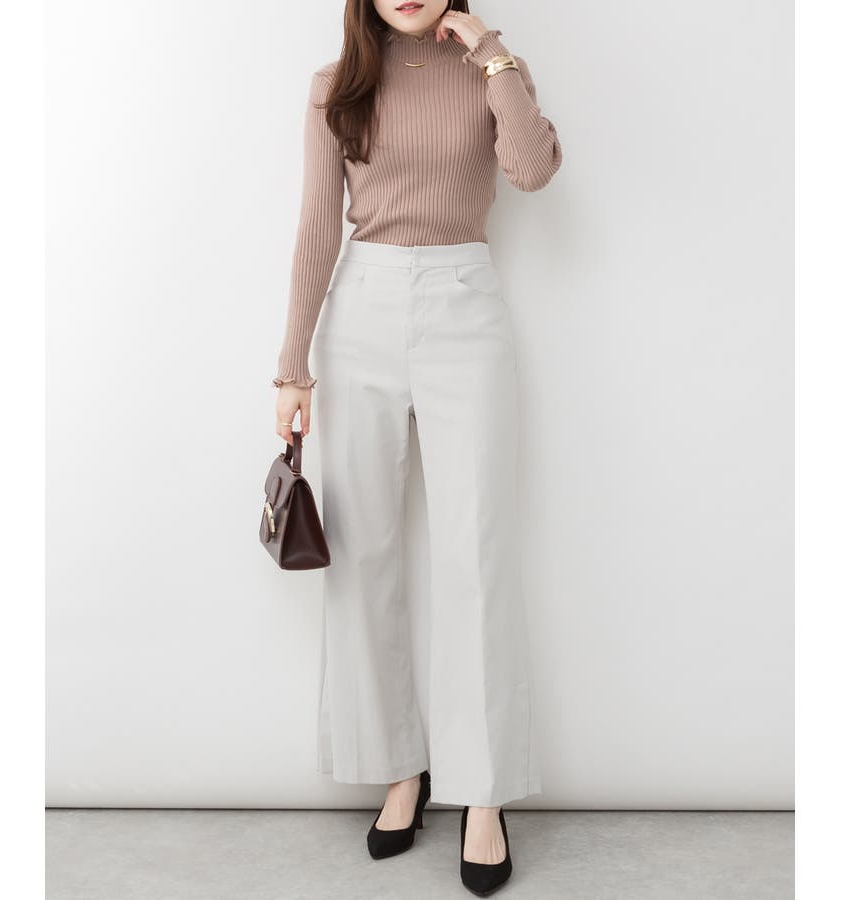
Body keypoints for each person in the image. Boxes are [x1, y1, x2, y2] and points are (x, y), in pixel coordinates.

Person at [272, 1, 561, 893]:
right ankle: (400, 769)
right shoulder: (336, 86)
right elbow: (318, 225)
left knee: (477, 553)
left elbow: (533, 169)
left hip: (464, 304)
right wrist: (292, 367)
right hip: (359, 310)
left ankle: (483, 792)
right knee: (364, 551)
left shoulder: (492, 70)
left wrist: (491, 51)